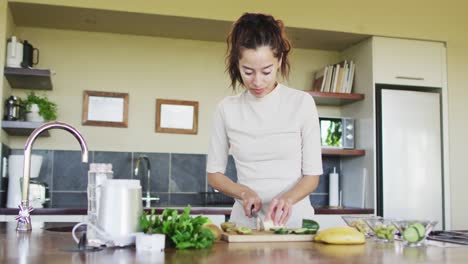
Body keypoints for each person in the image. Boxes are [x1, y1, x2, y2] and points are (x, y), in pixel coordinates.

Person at [207, 13, 323, 229]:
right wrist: (243, 192)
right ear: (237, 64)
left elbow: (311, 176)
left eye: (266, 71)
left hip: (294, 225)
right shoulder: (227, 109)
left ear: (279, 61)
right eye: (248, 71)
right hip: (246, 226)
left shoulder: (302, 103)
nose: (257, 81)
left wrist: (287, 199)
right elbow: (214, 175)